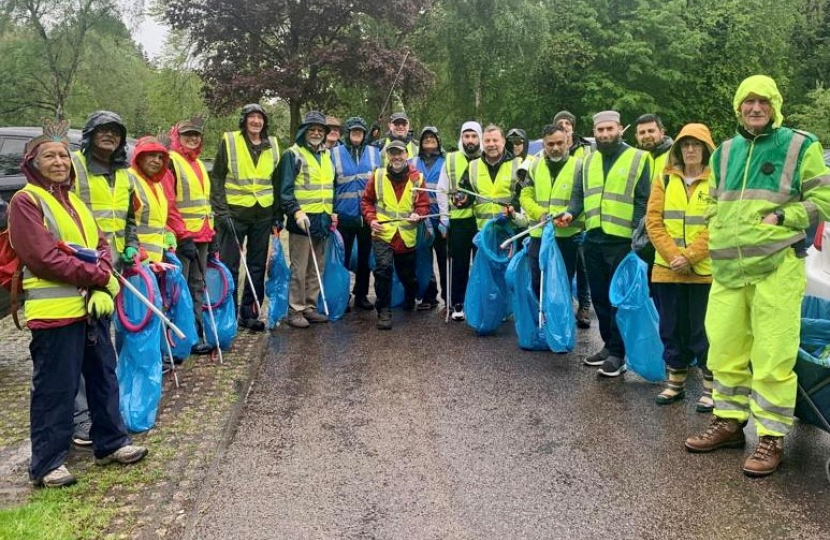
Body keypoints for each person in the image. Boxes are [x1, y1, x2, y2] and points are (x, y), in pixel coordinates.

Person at [684, 75, 830, 477]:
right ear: (738, 107)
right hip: (728, 270)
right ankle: (729, 422)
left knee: (772, 355)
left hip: (777, 267)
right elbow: (713, 201)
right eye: (747, 102)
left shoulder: (801, 145)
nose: (754, 108)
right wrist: (716, 228)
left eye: (762, 101)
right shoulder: (724, 152)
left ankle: (771, 436)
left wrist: (783, 217)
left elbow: (824, 199)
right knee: (725, 351)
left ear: (775, 105)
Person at [8, 121, 148, 488]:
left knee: (103, 378)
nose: (59, 161)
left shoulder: (73, 202)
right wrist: (98, 277)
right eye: (49, 156)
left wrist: (104, 272)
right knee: (56, 387)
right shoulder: (27, 201)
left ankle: (111, 443)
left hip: (90, 310)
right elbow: (43, 259)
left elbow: (100, 245)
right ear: (33, 163)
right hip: (54, 315)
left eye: (63, 156)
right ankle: (48, 462)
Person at [556, 111, 650, 377]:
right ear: (594, 132)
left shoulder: (638, 159)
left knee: (619, 300)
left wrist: (636, 235)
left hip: (622, 242)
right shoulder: (585, 162)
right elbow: (578, 198)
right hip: (593, 240)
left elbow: (644, 200)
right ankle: (608, 346)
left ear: (621, 129)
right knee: (599, 298)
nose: (605, 134)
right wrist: (570, 214)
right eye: (600, 130)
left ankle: (619, 354)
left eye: (610, 129)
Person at [70, 110, 138, 447]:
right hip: (81, 267)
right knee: (83, 341)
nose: (109, 137)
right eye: (103, 131)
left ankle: (101, 412)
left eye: (115, 132)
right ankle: (80, 416)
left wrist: (132, 247)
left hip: (113, 268)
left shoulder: (124, 175)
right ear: (90, 135)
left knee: (102, 339)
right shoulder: (75, 167)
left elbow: (130, 218)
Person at [645, 123, 715, 410]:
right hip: (667, 269)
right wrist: (675, 255)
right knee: (671, 327)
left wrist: (691, 256)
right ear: (677, 149)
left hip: (703, 271)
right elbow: (653, 220)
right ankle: (675, 382)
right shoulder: (664, 178)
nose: (690, 150)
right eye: (685, 145)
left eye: (696, 145)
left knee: (704, 330)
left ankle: (710, 387)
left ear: (706, 149)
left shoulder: (716, 181)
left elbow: (717, 224)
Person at [210, 103, 281, 332]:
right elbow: (218, 178)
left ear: (264, 122)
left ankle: (250, 312)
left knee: (257, 265)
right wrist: (221, 212)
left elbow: (276, 183)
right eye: (251, 117)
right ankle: (228, 312)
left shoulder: (273, 146)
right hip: (234, 213)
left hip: (263, 213)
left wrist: (277, 215)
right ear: (244, 120)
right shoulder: (230, 141)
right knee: (229, 265)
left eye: (260, 118)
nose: (256, 122)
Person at [361, 140, 430, 329]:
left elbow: (424, 204)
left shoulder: (417, 178)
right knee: (383, 269)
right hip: (383, 233)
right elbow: (366, 202)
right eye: (392, 153)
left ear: (406, 155)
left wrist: (419, 214)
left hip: (406, 236)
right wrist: (371, 219)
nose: (396, 157)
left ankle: (410, 295)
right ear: (388, 156)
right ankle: (384, 310)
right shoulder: (378, 176)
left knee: (407, 275)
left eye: (399, 153)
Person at [279, 111, 336, 328]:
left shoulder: (327, 156)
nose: (316, 133)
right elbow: (285, 189)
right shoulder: (293, 154)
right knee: (299, 268)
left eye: (320, 130)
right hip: (302, 219)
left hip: (323, 218)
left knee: (316, 267)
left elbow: (331, 187)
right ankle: (296, 309)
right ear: (304, 131)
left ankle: (310, 306)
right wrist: (295, 211)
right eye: (312, 129)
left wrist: (333, 212)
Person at [165, 117, 216, 355]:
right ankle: (178, 336)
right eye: (188, 135)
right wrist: (182, 236)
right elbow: (169, 203)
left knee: (197, 285)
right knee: (179, 289)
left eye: (196, 135)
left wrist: (211, 233)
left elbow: (204, 203)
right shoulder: (172, 162)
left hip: (202, 234)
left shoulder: (198, 164)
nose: (193, 139)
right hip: (182, 237)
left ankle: (195, 333)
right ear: (178, 136)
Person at [519, 124, 584, 300]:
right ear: (543, 145)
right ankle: (541, 320)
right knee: (536, 281)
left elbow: (582, 199)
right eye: (550, 144)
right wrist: (540, 213)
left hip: (567, 236)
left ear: (567, 142)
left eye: (559, 143)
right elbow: (525, 196)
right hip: (538, 235)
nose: (555, 148)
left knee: (562, 284)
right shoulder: (534, 166)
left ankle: (559, 323)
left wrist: (568, 214)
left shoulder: (580, 167)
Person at [331, 116, 380, 311]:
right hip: (344, 216)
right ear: (348, 133)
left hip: (367, 217)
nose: (357, 134)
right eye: (353, 131)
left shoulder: (375, 153)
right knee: (342, 259)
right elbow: (330, 184)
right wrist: (332, 211)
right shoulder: (334, 153)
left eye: (360, 131)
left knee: (364, 259)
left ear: (364, 133)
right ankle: (343, 296)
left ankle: (361, 295)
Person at [436, 121, 482, 321]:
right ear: (461, 138)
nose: (470, 140)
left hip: (480, 220)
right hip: (458, 221)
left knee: (482, 263)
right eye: (466, 136)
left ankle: (481, 303)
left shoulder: (485, 158)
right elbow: (441, 189)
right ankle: (457, 303)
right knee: (459, 264)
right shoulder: (452, 158)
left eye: (473, 136)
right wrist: (444, 217)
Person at [554, 110, 593, 328]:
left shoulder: (587, 150)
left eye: (568, 123)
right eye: (560, 123)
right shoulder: (551, 150)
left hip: (583, 220)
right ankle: (565, 305)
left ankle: (584, 307)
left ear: (573, 127)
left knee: (583, 266)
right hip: (560, 222)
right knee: (563, 268)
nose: (565, 126)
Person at [457, 125, 523, 232]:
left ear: (504, 142)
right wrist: (460, 198)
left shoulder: (519, 164)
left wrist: (513, 207)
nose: (491, 144)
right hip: (483, 231)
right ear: (482, 143)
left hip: (511, 230)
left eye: (495, 140)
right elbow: (464, 191)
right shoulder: (472, 166)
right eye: (487, 141)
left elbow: (525, 194)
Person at [411, 126, 446, 309]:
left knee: (443, 257)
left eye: (433, 138)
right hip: (421, 218)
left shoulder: (446, 161)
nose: (429, 140)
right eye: (426, 138)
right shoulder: (413, 162)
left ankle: (449, 298)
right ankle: (427, 295)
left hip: (440, 218)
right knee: (423, 258)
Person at [128, 137, 171, 263]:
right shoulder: (128, 180)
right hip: (136, 262)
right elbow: (122, 221)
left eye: (160, 157)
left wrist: (169, 233)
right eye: (152, 155)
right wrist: (135, 248)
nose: (157, 161)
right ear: (140, 157)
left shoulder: (157, 184)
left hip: (157, 261)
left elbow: (156, 219)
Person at [635, 113, 673, 183]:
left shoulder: (674, 155)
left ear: (662, 133)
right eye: (642, 132)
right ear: (637, 137)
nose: (646, 136)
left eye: (651, 131)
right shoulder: (633, 159)